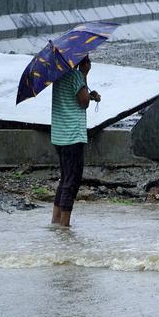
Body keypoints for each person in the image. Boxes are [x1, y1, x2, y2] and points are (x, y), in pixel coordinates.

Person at [50, 55, 100, 227]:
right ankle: (65, 226)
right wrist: (84, 75)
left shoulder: (59, 76)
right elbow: (83, 102)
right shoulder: (76, 76)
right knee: (72, 181)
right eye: (87, 60)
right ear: (82, 62)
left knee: (64, 179)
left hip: (59, 135)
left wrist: (89, 93)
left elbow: (75, 98)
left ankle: (55, 221)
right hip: (72, 136)